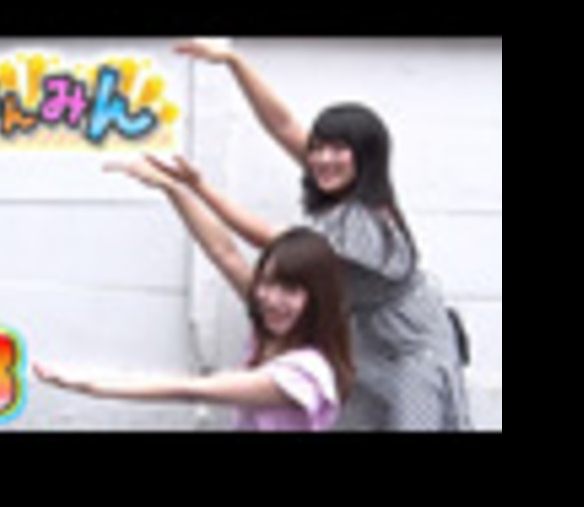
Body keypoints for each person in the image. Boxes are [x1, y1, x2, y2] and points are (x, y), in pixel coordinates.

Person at [170, 39, 472, 430]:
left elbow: (271, 239)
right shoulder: (342, 187)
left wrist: (198, 187)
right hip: (368, 340)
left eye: (338, 149)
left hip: (412, 349)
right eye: (318, 148)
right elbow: (283, 126)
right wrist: (233, 62)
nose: (323, 159)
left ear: (366, 157)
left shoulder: (366, 220)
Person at [34, 156, 354, 431]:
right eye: (267, 283)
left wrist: (90, 384)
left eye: (290, 290)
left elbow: (192, 390)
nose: (272, 299)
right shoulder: (271, 324)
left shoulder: (305, 373)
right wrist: (173, 189)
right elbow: (224, 252)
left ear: (317, 298)